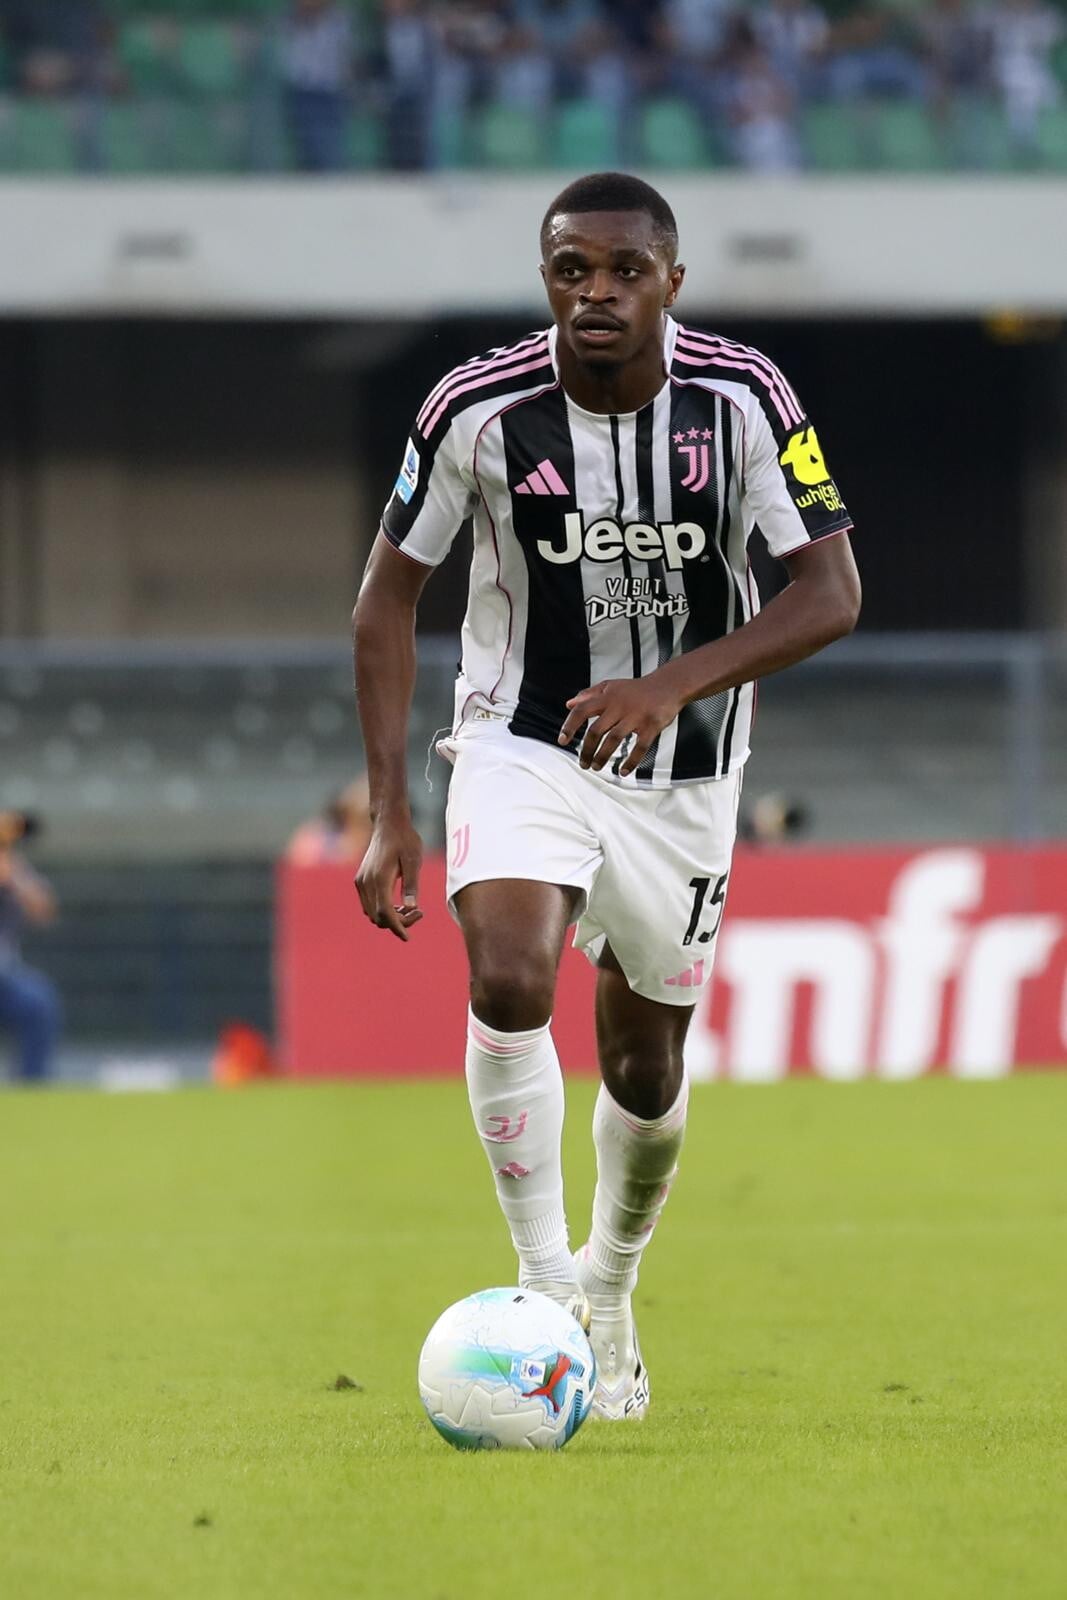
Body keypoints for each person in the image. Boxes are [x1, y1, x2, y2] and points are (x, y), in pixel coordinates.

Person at [353, 172, 860, 1420]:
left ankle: (611, 1287)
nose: (595, 292)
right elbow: (385, 600)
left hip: (683, 771)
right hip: (520, 736)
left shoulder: (744, 399)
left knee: (642, 1063)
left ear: (669, 282)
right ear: (545, 279)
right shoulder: (473, 409)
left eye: (624, 271)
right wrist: (389, 810)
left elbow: (829, 592)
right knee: (509, 975)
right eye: (570, 269)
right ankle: (543, 1288)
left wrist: (666, 686)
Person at [0, 811, 61, 1084]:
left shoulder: (13, 869)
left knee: (38, 1003)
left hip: (4, 977)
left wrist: (14, 878)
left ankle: (31, 1088)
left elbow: (44, 911)